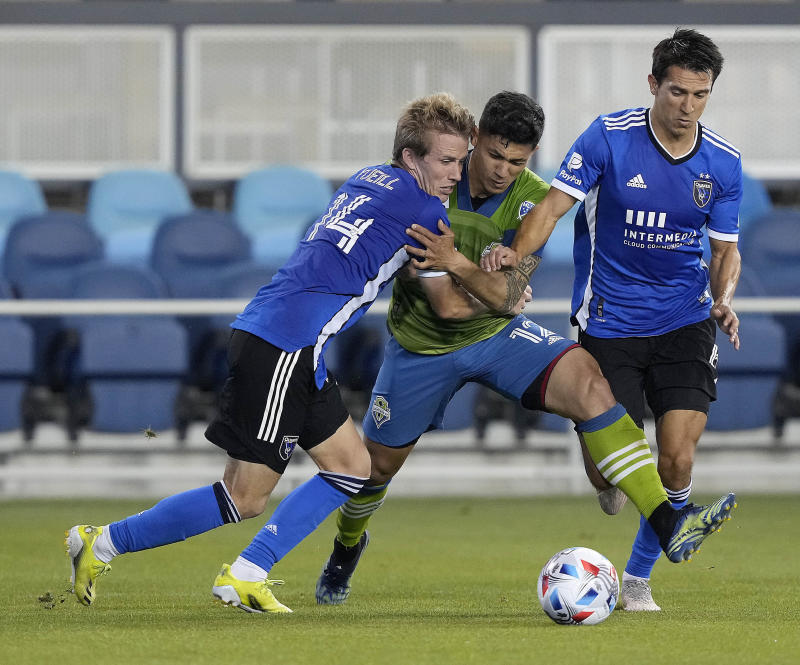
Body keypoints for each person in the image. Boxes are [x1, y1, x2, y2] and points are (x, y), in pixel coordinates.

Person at [314, 90, 737, 606]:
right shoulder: (428, 185)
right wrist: (496, 294)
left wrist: (476, 276)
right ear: (474, 142)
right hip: (423, 348)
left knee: (587, 380)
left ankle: (668, 521)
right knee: (375, 470)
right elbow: (449, 308)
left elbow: (511, 295)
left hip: (498, 338)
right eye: (494, 155)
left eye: (517, 161)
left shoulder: (533, 196)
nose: (502, 170)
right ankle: (346, 549)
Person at [64, 92, 477, 613]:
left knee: (352, 466)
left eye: (462, 160)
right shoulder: (425, 210)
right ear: (411, 158)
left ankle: (247, 571)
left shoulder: (367, 177)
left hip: (281, 336)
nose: (456, 172)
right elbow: (448, 306)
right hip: (287, 345)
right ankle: (102, 542)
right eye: (446, 160)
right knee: (244, 497)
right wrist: (500, 291)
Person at [481, 29, 743, 612]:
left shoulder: (723, 162)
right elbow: (550, 208)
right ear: (654, 84)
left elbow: (725, 250)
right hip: (608, 322)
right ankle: (611, 482)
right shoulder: (607, 138)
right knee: (607, 476)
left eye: (701, 95)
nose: (688, 106)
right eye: (678, 92)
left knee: (676, 455)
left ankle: (639, 579)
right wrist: (515, 266)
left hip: (684, 319)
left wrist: (723, 296)